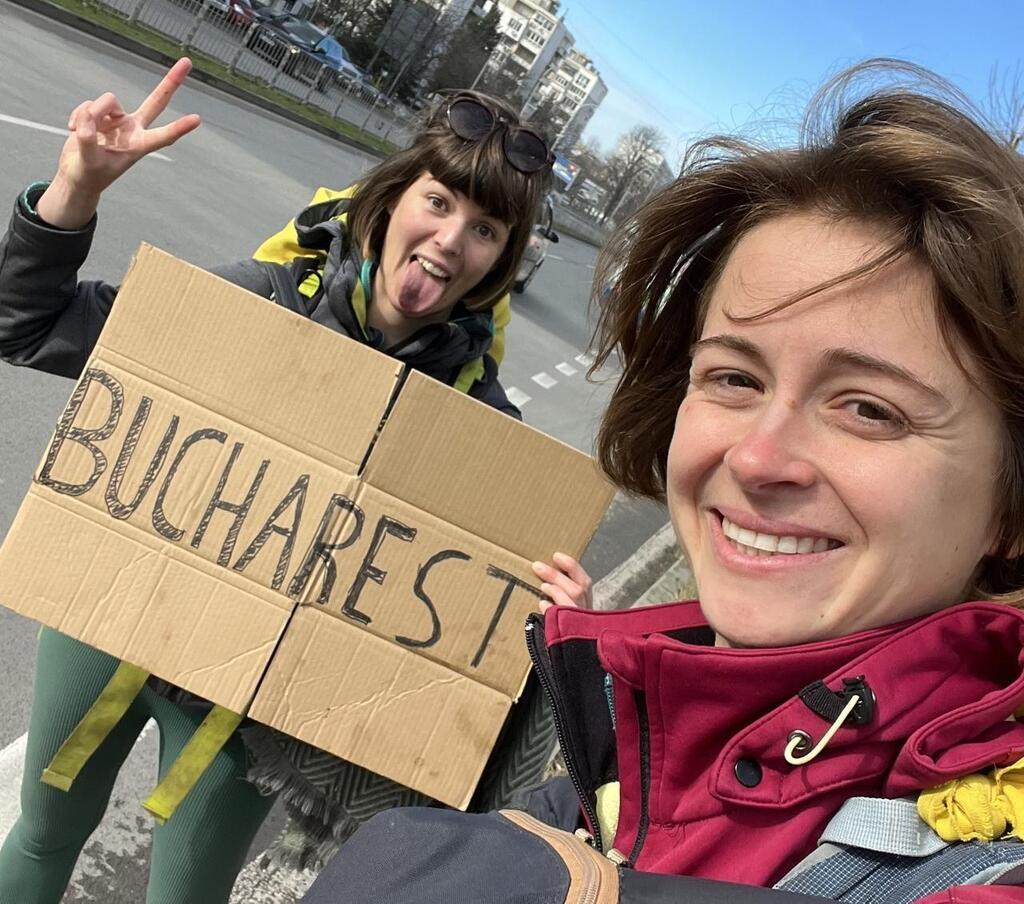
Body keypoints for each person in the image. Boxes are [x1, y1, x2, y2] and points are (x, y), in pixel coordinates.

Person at [295, 60, 1024, 903]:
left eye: (868, 409)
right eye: (734, 379)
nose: (755, 460)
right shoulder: (635, 742)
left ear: (1008, 504)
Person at [0, 58, 594, 904]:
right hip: (115, 623)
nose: (450, 241)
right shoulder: (264, 297)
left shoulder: (485, 435)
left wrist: (561, 629)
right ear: (393, 198)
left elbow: (500, 629)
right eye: (438, 201)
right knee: (44, 835)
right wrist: (75, 192)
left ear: (500, 261)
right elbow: (26, 327)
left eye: (486, 229)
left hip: (250, 710)